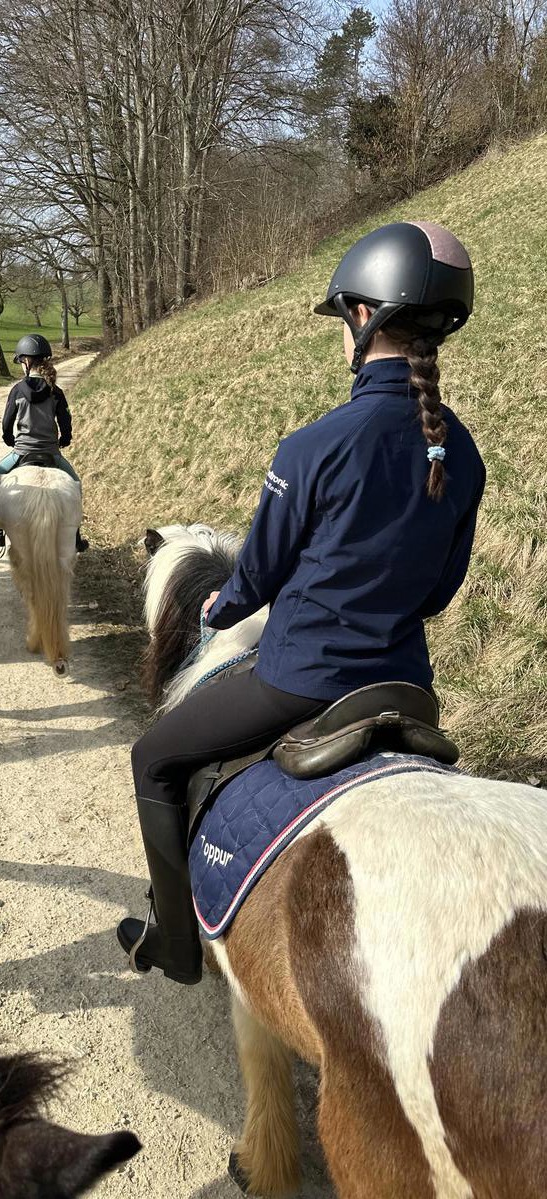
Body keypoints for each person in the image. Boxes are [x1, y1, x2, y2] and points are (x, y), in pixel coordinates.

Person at [116, 221, 487, 985]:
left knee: (152, 755)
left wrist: (219, 609)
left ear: (364, 317)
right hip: (407, 684)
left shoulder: (313, 447)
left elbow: (259, 573)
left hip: (302, 678)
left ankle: (177, 942)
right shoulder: (463, 452)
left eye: (343, 319)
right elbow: (442, 592)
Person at [0, 334, 88, 551]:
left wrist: (8, 439)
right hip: (51, 454)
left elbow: (6, 422)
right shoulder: (56, 392)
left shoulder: (17, 390)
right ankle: (75, 536)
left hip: (21, 453)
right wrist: (64, 439)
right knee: (75, 485)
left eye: (21, 361)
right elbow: (66, 422)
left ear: (27, 361)